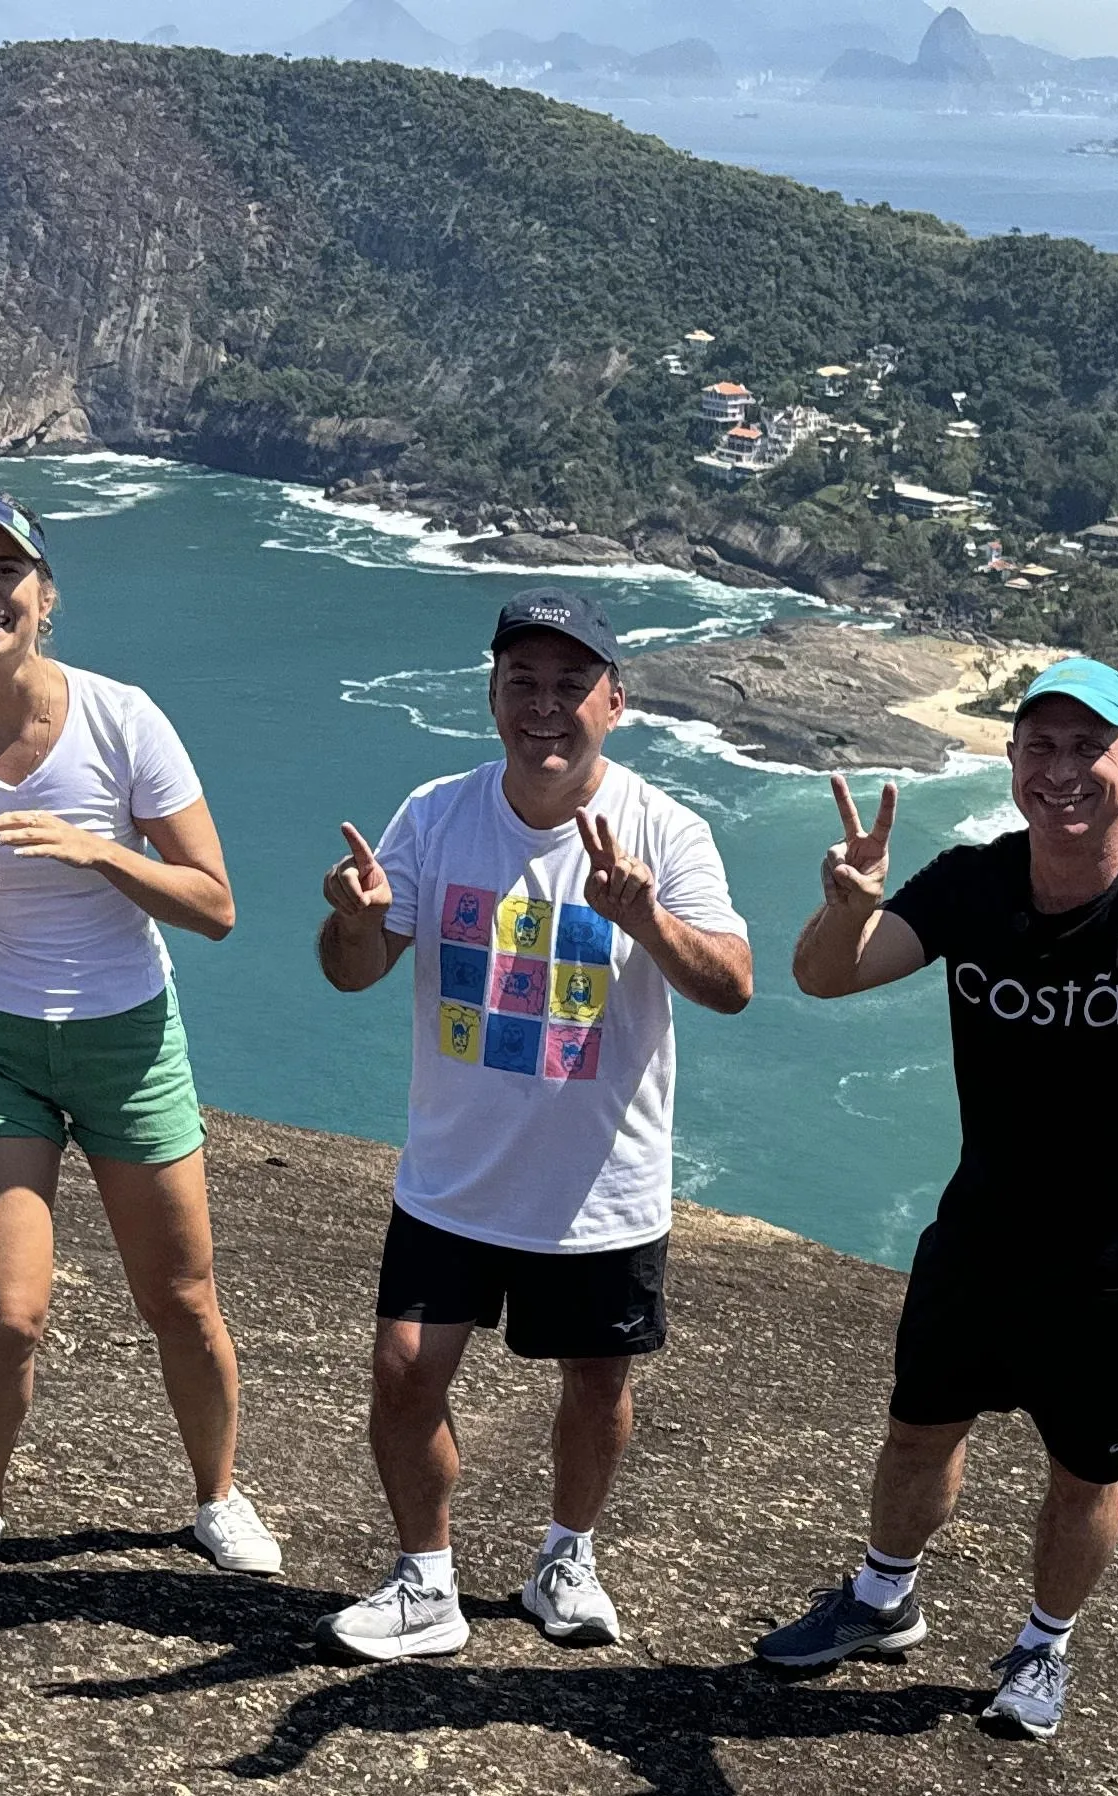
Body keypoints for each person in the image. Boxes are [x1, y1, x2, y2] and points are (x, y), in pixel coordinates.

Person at [756, 657, 1118, 1740]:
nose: (1061, 770)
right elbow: (828, 974)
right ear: (1010, 761)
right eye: (1038, 747)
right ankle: (880, 1595)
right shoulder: (972, 884)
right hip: (981, 1236)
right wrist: (844, 909)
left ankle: (1043, 1642)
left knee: (1082, 1471)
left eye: (1088, 747)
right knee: (916, 1432)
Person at [314, 586, 753, 1661]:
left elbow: (732, 982)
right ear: (492, 693)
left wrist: (642, 913)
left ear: (616, 699)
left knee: (597, 1384)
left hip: (599, 1188)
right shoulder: (435, 812)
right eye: (522, 683)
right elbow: (355, 971)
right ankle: (426, 1581)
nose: (543, 707)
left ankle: (568, 1553)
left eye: (570, 685)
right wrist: (353, 919)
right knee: (404, 1370)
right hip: (453, 1177)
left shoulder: (666, 828)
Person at [0, 488, 280, 1588]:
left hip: (127, 1040)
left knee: (181, 1299)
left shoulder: (120, 719)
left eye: (5, 570)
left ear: (46, 595)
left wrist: (99, 852)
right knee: (7, 1312)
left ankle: (216, 1493)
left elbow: (214, 903)